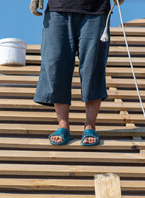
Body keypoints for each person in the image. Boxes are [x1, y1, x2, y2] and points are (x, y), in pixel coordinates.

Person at [30, 0, 124, 146]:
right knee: (55, 63)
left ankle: (90, 126)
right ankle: (63, 125)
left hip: (95, 9)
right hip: (58, 7)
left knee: (92, 65)